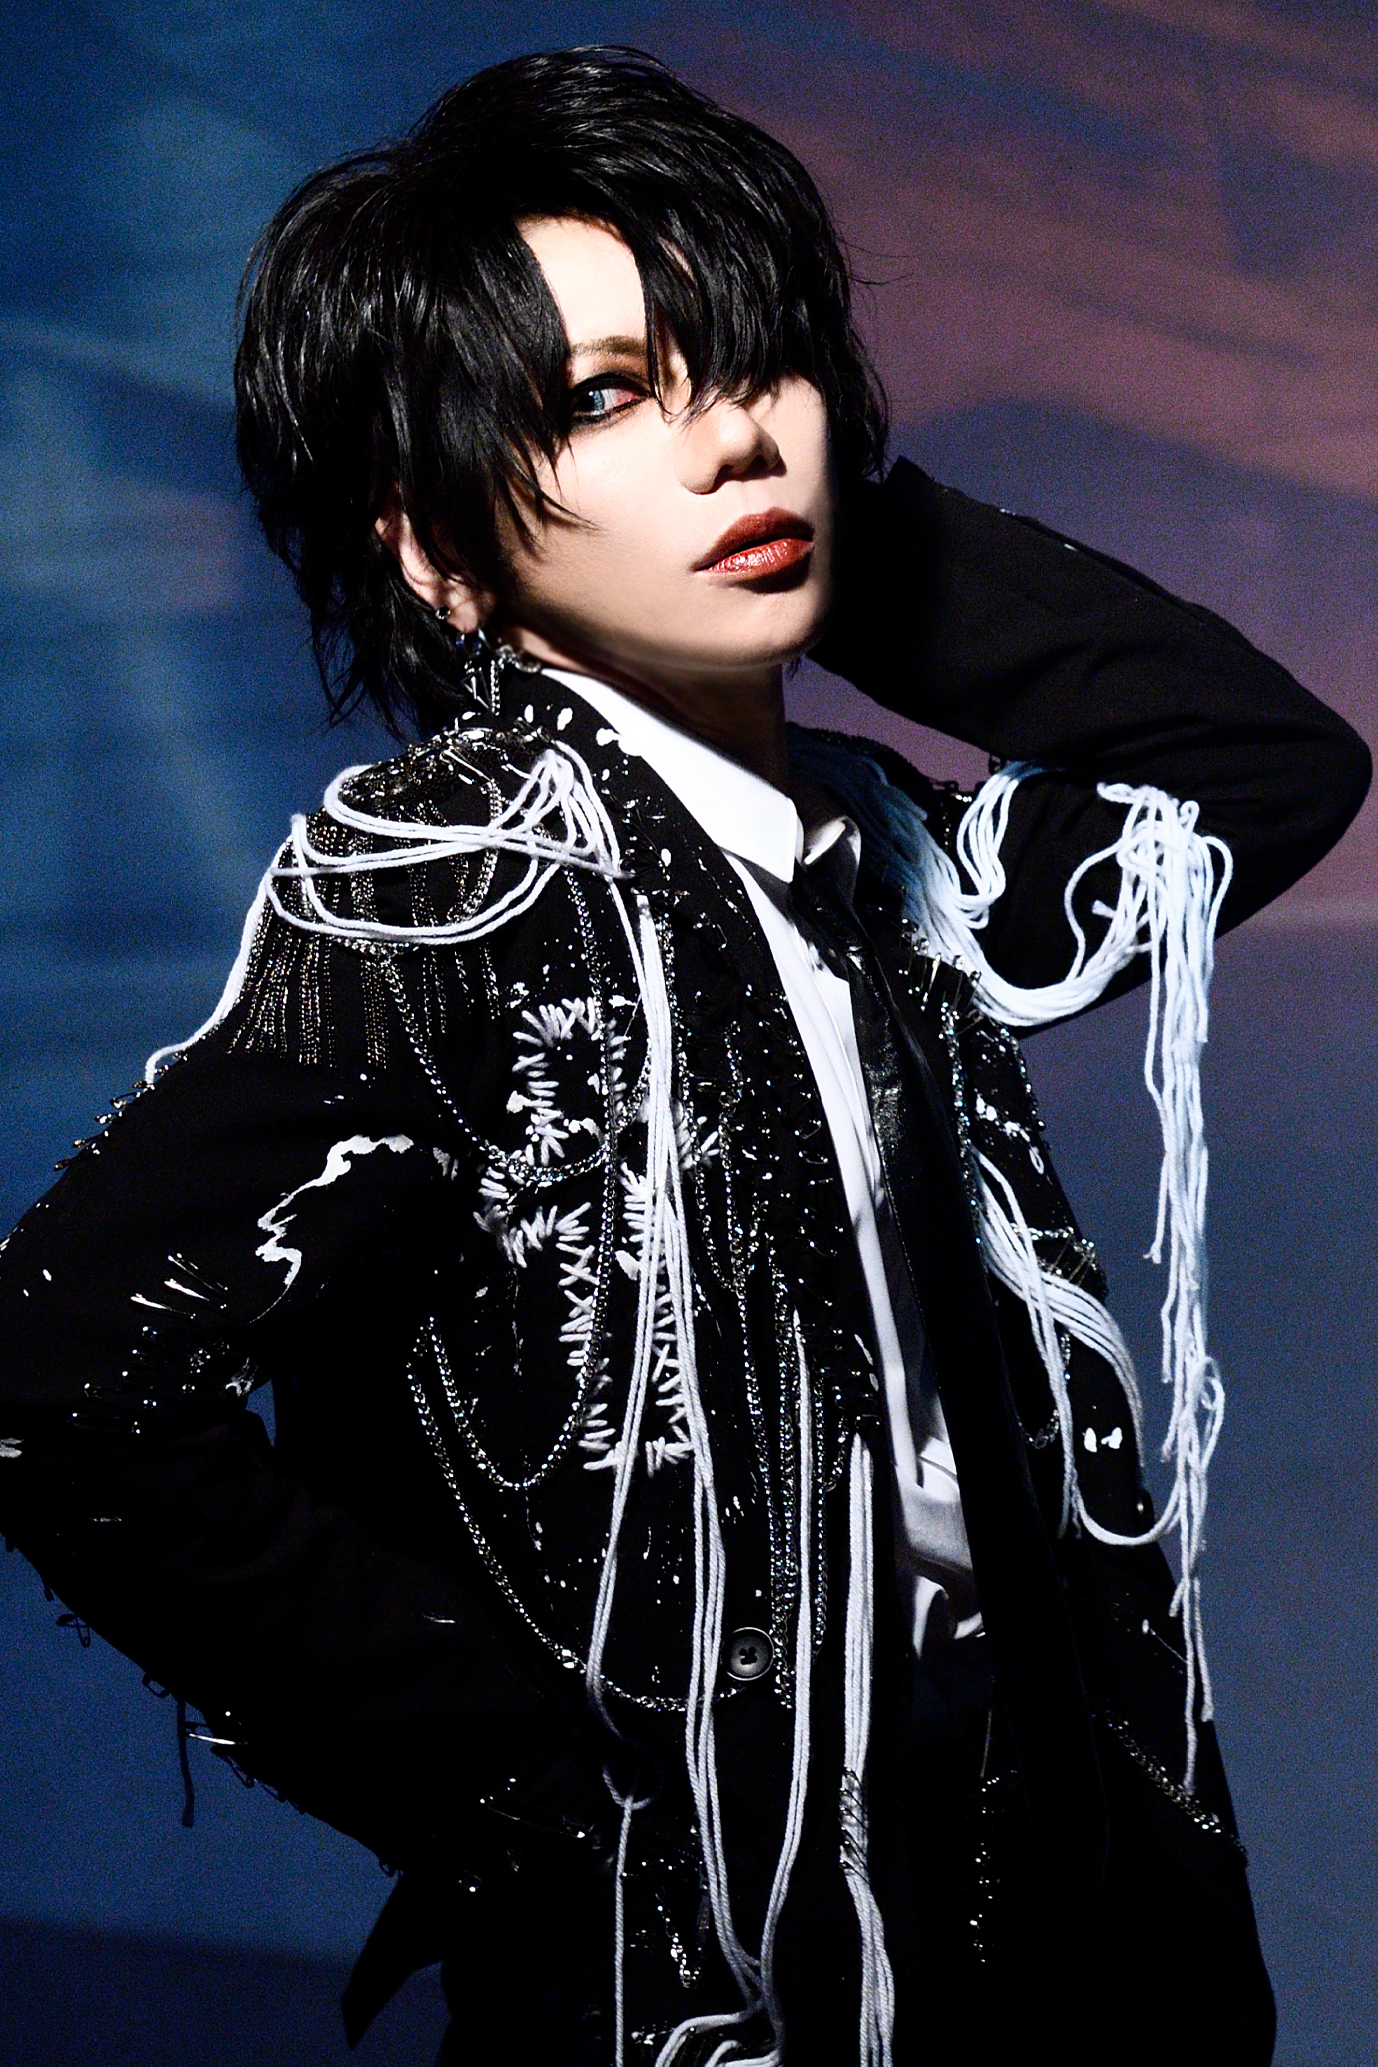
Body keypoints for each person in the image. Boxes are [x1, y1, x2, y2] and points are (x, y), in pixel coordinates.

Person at [0, 46, 1367, 2067]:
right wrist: (535, 1802)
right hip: (703, 1961)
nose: (731, 436)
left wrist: (835, 524)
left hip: (1043, 1894)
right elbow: (57, 1377)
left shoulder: (875, 845)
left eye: (754, 362)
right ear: (438, 550)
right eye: (603, 397)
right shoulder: (451, 893)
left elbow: (1256, 763)